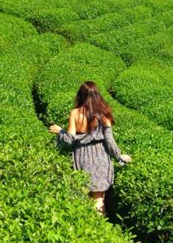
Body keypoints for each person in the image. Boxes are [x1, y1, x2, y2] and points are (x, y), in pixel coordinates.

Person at [49, 81, 131, 214]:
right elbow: (110, 141)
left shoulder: (75, 113)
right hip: (101, 156)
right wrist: (119, 156)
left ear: (80, 96)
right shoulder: (103, 113)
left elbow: (69, 140)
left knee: (84, 197)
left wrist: (61, 132)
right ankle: (101, 229)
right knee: (98, 199)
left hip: (82, 157)